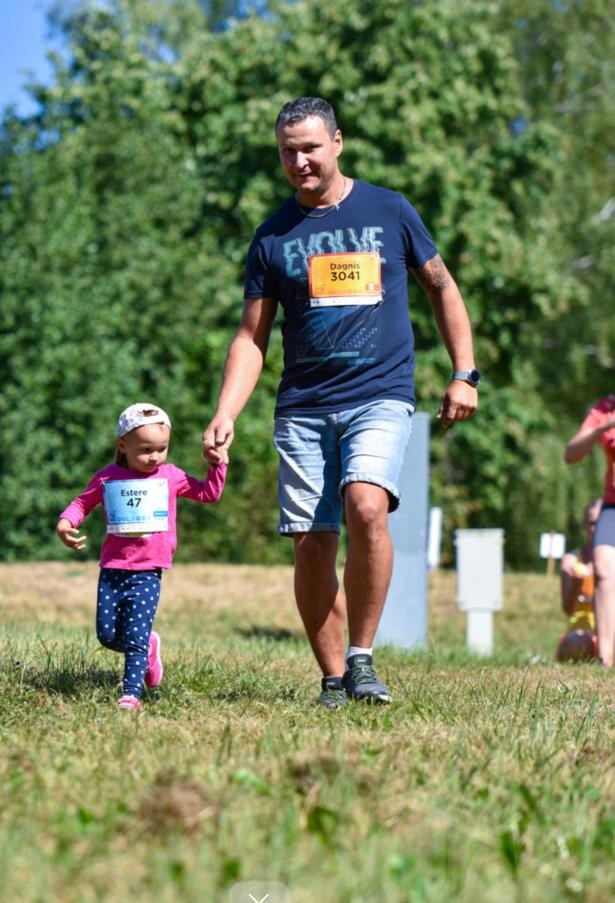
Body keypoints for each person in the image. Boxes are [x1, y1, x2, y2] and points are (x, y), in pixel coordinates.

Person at [203, 97, 478, 708]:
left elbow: (443, 288)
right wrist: (226, 411)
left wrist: (466, 373)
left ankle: (362, 658)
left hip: (379, 393)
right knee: (311, 542)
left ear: (337, 142)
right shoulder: (272, 236)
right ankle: (332, 680)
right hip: (301, 403)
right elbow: (251, 338)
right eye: (286, 152)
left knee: (367, 505)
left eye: (309, 147)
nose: (299, 161)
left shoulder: (389, 210)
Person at [58, 402, 227, 710]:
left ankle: (131, 695)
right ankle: (149, 646)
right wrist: (66, 522)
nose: (154, 457)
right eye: (146, 449)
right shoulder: (108, 477)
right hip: (113, 567)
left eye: (161, 449)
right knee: (108, 635)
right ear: (122, 445)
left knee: (134, 635)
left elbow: (208, 494)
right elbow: (82, 503)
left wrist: (217, 465)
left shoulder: (170, 476)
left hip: (149, 569)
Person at [565, 396, 615, 667]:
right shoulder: (605, 409)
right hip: (612, 505)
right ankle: (605, 659)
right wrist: (602, 428)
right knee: (604, 566)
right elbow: (570, 454)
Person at [557, 498, 602, 662]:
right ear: (584, 525)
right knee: (577, 643)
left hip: (608, 630)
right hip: (582, 631)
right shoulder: (571, 561)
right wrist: (577, 586)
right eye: (591, 523)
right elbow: (568, 609)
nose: (596, 528)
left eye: (601, 523)